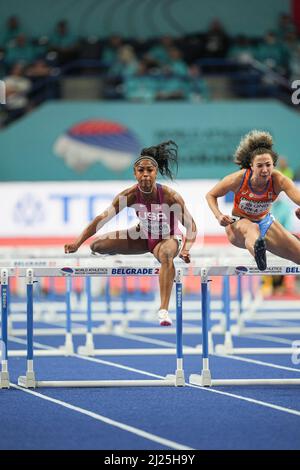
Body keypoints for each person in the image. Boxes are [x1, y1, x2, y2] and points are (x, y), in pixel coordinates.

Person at [64, 141, 197, 326]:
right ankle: (111, 254)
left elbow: (191, 226)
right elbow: (100, 220)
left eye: (149, 170)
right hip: (142, 236)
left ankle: (164, 310)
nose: (145, 175)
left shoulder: (169, 196)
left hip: (168, 239)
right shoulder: (129, 196)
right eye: (141, 170)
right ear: (135, 174)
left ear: (155, 173)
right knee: (97, 246)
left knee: (166, 255)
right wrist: (77, 243)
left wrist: (186, 248)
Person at [206, 130, 300, 271]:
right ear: (251, 165)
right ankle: (259, 253)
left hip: (265, 222)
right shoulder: (237, 179)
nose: (264, 170)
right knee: (252, 228)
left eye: (268, 165)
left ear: (273, 165)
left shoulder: (280, 180)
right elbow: (210, 195)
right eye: (259, 165)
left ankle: (263, 245)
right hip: (238, 225)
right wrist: (218, 215)